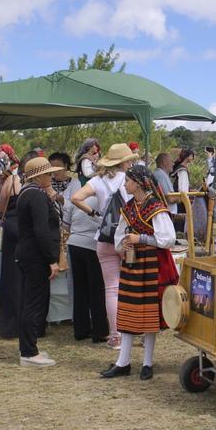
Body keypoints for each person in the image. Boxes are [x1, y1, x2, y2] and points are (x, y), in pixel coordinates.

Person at [100, 165, 177, 381]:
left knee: (149, 314)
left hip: (152, 266)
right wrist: (123, 245)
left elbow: (168, 239)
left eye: (128, 181)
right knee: (128, 311)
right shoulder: (129, 207)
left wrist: (140, 239)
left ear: (139, 182)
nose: (125, 184)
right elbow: (119, 235)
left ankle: (147, 363)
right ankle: (123, 362)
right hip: (133, 264)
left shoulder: (156, 207)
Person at [70, 143, 139, 350]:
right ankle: (136, 330)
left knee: (111, 289)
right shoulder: (130, 181)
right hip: (127, 239)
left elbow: (76, 198)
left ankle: (115, 336)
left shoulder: (97, 181)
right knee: (133, 286)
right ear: (125, 162)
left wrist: (94, 214)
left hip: (105, 238)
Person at [14, 157, 65, 367]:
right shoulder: (35, 195)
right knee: (34, 303)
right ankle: (28, 351)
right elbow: (41, 231)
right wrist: (51, 260)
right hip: (36, 255)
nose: (51, 177)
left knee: (31, 301)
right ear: (39, 176)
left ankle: (29, 346)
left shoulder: (27, 193)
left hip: (28, 253)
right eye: (47, 174)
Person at [63, 158, 108, 343]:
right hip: (92, 244)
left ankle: (80, 329)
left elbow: (66, 224)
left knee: (79, 289)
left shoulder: (76, 194)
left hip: (74, 243)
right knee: (97, 289)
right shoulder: (103, 196)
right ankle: (99, 330)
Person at [0, 152, 38, 338]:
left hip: (11, 227)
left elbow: (1, 205)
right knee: (29, 277)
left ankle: (8, 325)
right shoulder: (37, 184)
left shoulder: (12, 179)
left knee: (9, 277)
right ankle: (26, 324)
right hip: (29, 229)